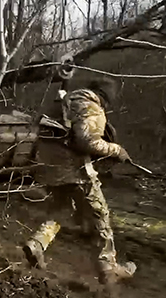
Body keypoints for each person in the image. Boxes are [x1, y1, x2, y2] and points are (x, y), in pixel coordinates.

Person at [23, 77, 137, 285]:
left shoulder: (62, 103)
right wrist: (117, 150)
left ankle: (37, 244)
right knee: (99, 214)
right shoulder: (91, 107)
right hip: (74, 171)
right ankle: (108, 268)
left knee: (62, 208)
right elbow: (87, 142)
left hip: (49, 166)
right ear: (105, 98)